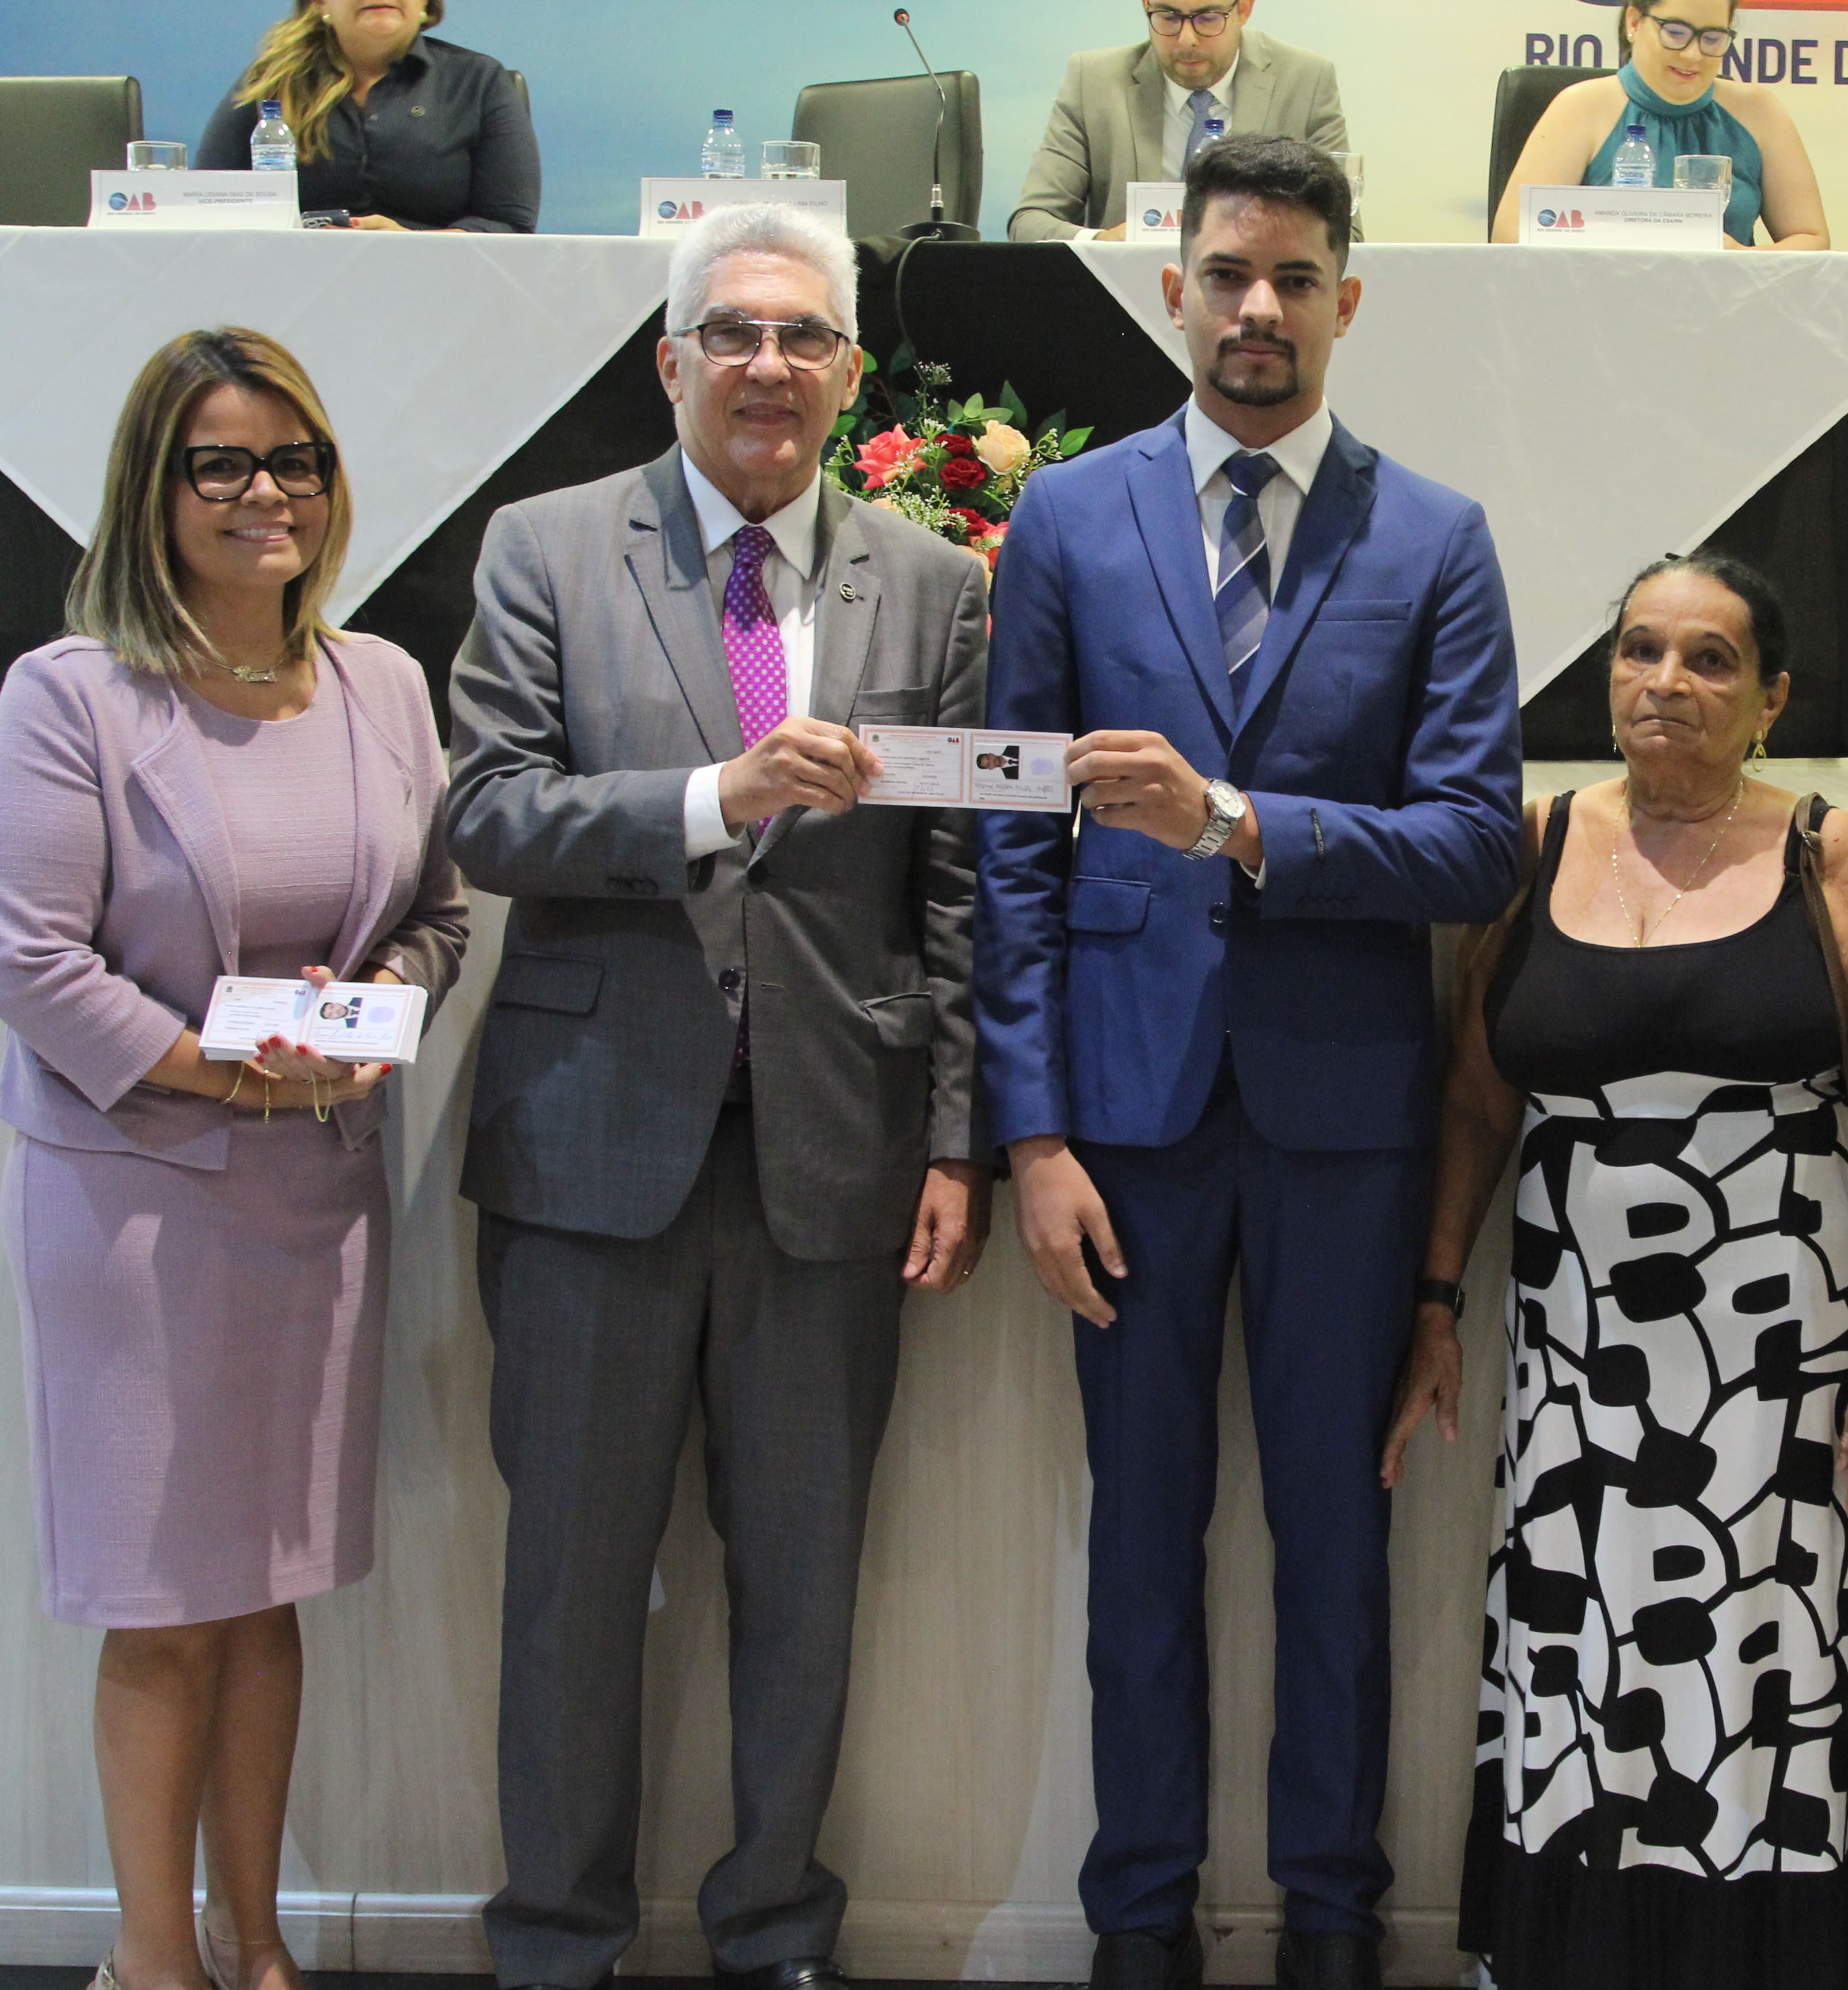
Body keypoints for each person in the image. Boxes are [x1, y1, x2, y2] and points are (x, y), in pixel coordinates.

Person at [975, 135, 1521, 1990]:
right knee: (1139, 1547)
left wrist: (1236, 821)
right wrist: (1032, 1134)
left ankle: (1334, 1919)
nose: (1259, 309)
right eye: (1227, 275)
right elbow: (1013, 845)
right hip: (1119, 1123)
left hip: (1342, 1123)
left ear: (1347, 300)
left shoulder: (1433, 537)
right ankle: (1140, 1920)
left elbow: (1476, 845)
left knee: (1336, 1546)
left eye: (1294, 278)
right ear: (1173, 291)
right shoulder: (1068, 520)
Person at [443, 203, 993, 1990]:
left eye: (805, 336)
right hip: (591, 1150)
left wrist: (959, 1139)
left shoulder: (934, 585)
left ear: (851, 373)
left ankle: (776, 1935)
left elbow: (959, 890)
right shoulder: (546, 549)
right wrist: (713, 799)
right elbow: (489, 814)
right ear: (670, 363)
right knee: (571, 1587)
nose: (770, 366)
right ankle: (554, 1941)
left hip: (836, 1158)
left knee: (804, 1587)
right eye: (736, 334)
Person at [1379, 553, 1848, 1990]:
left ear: (1771, 700)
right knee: (1584, 1650)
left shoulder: (1828, 853)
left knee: (1765, 1656)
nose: (1665, 684)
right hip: (1579, 1368)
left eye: (1709, 660)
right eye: (1641, 651)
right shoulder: (1534, 840)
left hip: (1784, 1366)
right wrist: (1436, 1302)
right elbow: (1475, 1105)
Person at [0, 327, 467, 1990]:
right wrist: (224, 1071)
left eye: (296, 460)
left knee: (269, 1587)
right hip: (137, 1202)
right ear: (157, 487)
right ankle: (152, 1959)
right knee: (164, 1600)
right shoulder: (69, 693)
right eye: (223, 463)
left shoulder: (383, 684)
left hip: (316, 1201)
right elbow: (33, 959)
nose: (267, 492)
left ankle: (257, 1947)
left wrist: (373, 1007)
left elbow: (436, 918)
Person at [1493, 2, 1829, 251]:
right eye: (1676, 33)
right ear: (1634, 22)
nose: (1693, 55)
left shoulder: (1759, 112)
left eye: (1712, 38)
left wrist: (1741, 259)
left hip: (1727, 307)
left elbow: (1812, 240)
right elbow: (1511, 237)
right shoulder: (1579, 108)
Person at [1010, 1, 1349, 242]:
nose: (1187, 39)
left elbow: (1346, 232)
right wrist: (1104, 243)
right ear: (1146, 6)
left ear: (1244, 8)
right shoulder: (1093, 82)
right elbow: (1030, 221)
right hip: (1125, 299)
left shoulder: (1305, 82)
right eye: (1169, 17)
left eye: (1208, 18)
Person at [198, 1, 538, 233]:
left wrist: (411, 245)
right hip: (293, 282)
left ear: (426, 5)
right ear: (320, 4)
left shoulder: (479, 82)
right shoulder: (272, 83)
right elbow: (207, 206)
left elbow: (509, 225)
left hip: (442, 286)